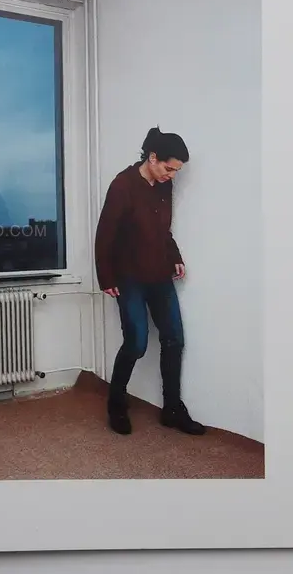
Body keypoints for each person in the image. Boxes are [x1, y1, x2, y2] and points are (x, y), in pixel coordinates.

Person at [94, 127, 205, 436]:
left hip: (158, 273)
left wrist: (174, 256)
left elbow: (162, 230)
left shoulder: (163, 185)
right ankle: (116, 405)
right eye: (170, 168)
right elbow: (105, 235)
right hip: (128, 277)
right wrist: (106, 276)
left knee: (174, 339)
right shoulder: (123, 185)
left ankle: (172, 409)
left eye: (177, 171)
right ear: (153, 158)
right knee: (137, 343)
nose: (172, 175)